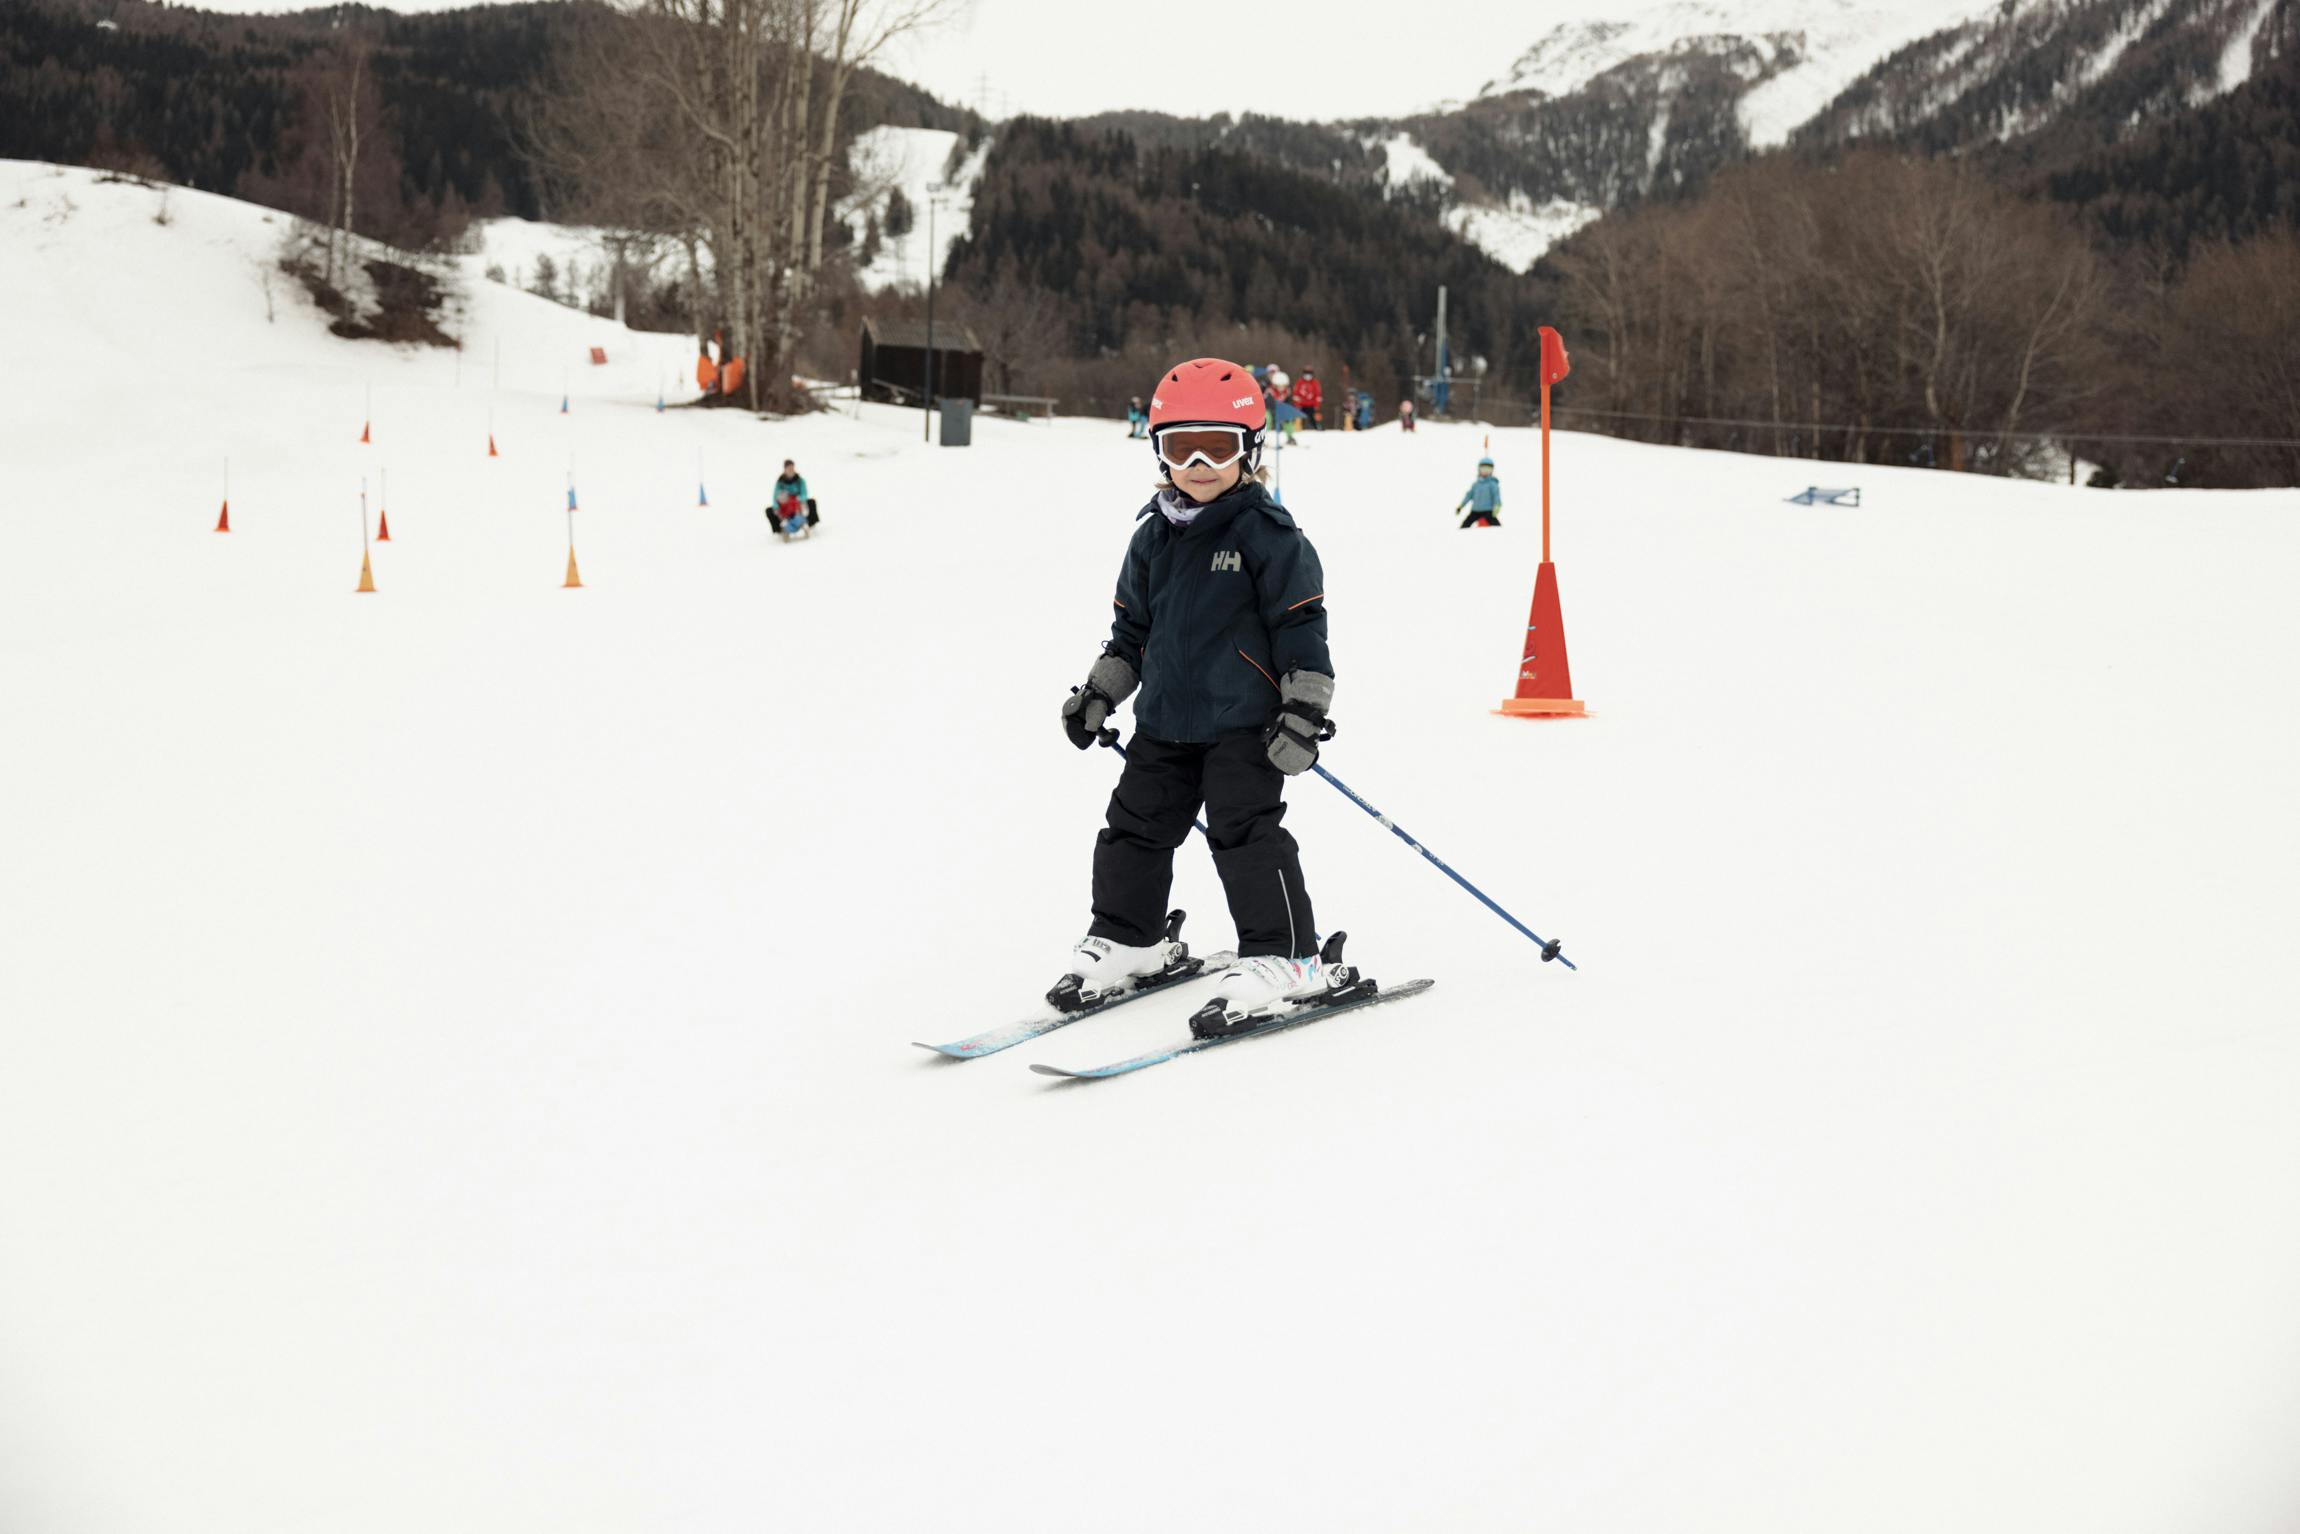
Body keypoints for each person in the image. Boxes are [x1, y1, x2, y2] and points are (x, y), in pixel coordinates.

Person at [1054, 356, 1339, 1038]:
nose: (1202, 462)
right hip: (1163, 725)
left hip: (1247, 727)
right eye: (1184, 447)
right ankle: (1131, 938)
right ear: (1159, 451)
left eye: (1221, 445)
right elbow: (1130, 635)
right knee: (1133, 829)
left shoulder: (1271, 537)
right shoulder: (1150, 538)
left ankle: (1286, 954)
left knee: (1245, 836)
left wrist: (1302, 713)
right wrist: (1100, 692)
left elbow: (1303, 630)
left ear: (1252, 450)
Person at [766, 459, 818, 534]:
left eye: (792, 468)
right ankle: (780, 530)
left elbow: (804, 493)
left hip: (797, 503)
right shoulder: (780, 482)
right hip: (784, 504)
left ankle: (810, 524)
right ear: (785, 469)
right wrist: (776, 507)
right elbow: (775, 496)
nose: (791, 470)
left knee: (811, 502)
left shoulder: (800, 480)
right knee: (770, 511)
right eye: (788, 468)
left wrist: (799, 499)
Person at [1457, 455, 1502, 528]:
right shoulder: (1476, 485)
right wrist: (1461, 506)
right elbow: (1468, 496)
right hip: (1475, 511)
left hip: (1488, 511)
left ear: (1492, 470)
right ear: (1479, 469)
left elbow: (1496, 496)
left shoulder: (1493, 484)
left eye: (1488, 469)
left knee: (1496, 527)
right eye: (1483, 469)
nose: (1485, 471)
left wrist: (1497, 506)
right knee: (1464, 526)